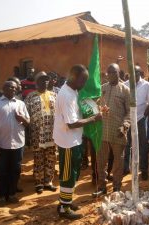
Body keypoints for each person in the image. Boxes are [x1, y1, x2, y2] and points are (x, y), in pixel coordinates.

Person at [53, 64, 102, 220]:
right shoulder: (66, 95)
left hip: (74, 139)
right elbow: (72, 123)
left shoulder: (73, 91)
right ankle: (63, 208)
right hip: (67, 142)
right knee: (68, 174)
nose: (84, 83)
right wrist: (94, 118)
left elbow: (78, 113)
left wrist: (93, 107)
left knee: (73, 173)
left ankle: (66, 201)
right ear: (73, 77)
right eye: (83, 79)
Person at [0, 81, 30, 206]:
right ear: (3, 88)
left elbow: (27, 123)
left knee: (15, 170)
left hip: (18, 144)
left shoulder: (21, 104)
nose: (13, 89)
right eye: (10, 86)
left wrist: (22, 119)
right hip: (2, 144)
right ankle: (1, 196)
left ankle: (12, 194)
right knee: (2, 171)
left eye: (15, 88)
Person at [92, 63, 130, 197]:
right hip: (102, 130)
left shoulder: (125, 90)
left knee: (118, 161)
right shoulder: (102, 89)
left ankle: (117, 187)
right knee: (101, 161)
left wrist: (125, 126)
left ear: (119, 73)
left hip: (118, 131)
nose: (110, 75)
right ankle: (102, 187)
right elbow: (96, 106)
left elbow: (129, 112)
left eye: (114, 72)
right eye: (108, 72)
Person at [25, 71, 57, 194]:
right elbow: (26, 116)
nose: (45, 82)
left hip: (52, 133)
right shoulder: (30, 97)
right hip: (37, 133)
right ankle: (39, 182)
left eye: (46, 79)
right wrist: (28, 134)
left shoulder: (54, 95)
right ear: (36, 82)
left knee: (51, 158)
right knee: (38, 158)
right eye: (42, 80)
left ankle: (48, 181)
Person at [124, 65, 149, 180]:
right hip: (128, 119)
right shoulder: (125, 85)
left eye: (136, 73)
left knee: (143, 144)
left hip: (141, 118)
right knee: (127, 144)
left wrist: (146, 112)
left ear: (140, 73)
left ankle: (144, 170)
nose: (134, 76)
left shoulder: (147, 85)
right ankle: (125, 168)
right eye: (132, 74)